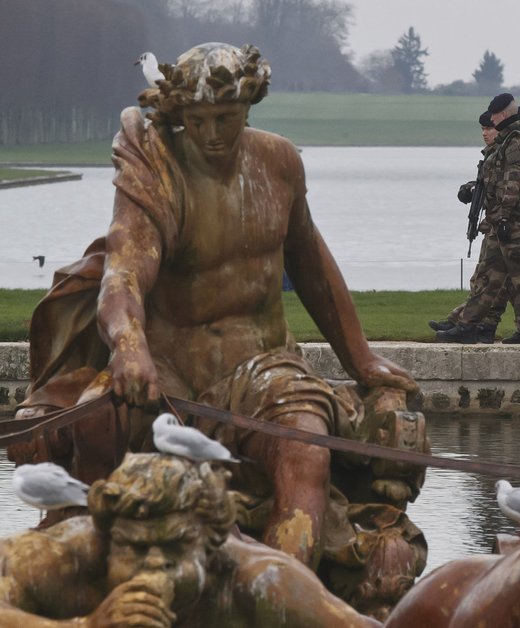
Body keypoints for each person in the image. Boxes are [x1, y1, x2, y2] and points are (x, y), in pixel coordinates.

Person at [10, 43, 422, 581]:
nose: (211, 133)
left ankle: (280, 590)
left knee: (306, 451)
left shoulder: (280, 163)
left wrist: (361, 357)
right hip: (168, 370)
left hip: (267, 367)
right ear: (179, 114)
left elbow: (314, 268)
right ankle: (81, 567)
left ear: (248, 106)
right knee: (97, 422)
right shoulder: (157, 165)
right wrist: (130, 349)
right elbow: (124, 275)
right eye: (197, 120)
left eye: (225, 118)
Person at [0, 453, 380, 627]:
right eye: (133, 548)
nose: (151, 565)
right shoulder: (60, 559)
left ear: (209, 544)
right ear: (107, 536)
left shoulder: (264, 583)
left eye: (171, 549)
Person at [436, 93, 520, 344]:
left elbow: (514, 183)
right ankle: (468, 325)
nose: (491, 120)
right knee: (488, 275)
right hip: (500, 219)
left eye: (494, 115)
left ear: (503, 115)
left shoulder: (516, 142)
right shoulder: (507, 141)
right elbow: (496, 179)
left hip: (512, 221)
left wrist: (506, 217)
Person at [427, 110, 504, 344]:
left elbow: (504, 186)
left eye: (488, 129)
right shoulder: (494, 154)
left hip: (502, 225)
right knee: (493, 281)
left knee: (494, 280)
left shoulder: (505, 153)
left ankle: (466, 324)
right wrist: (471, 189)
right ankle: (469, 322)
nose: (484, 133)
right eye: (482, 129)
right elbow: (487, 183)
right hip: (495, 225)